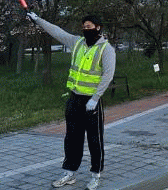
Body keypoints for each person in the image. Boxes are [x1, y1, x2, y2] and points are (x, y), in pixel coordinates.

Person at [27, 12, 116, 189]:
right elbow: (57, 31)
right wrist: (38, 20)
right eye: (84, 27)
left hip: (92, 103)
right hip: (75, 99)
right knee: (72, 138)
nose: (85, 29)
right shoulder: (77, 43)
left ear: (98, 28)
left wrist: (95, 98)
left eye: (89, 27)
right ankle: (69, 173)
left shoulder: (106, 49)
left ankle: (96, 175)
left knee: (95, 140)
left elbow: (108, 75)